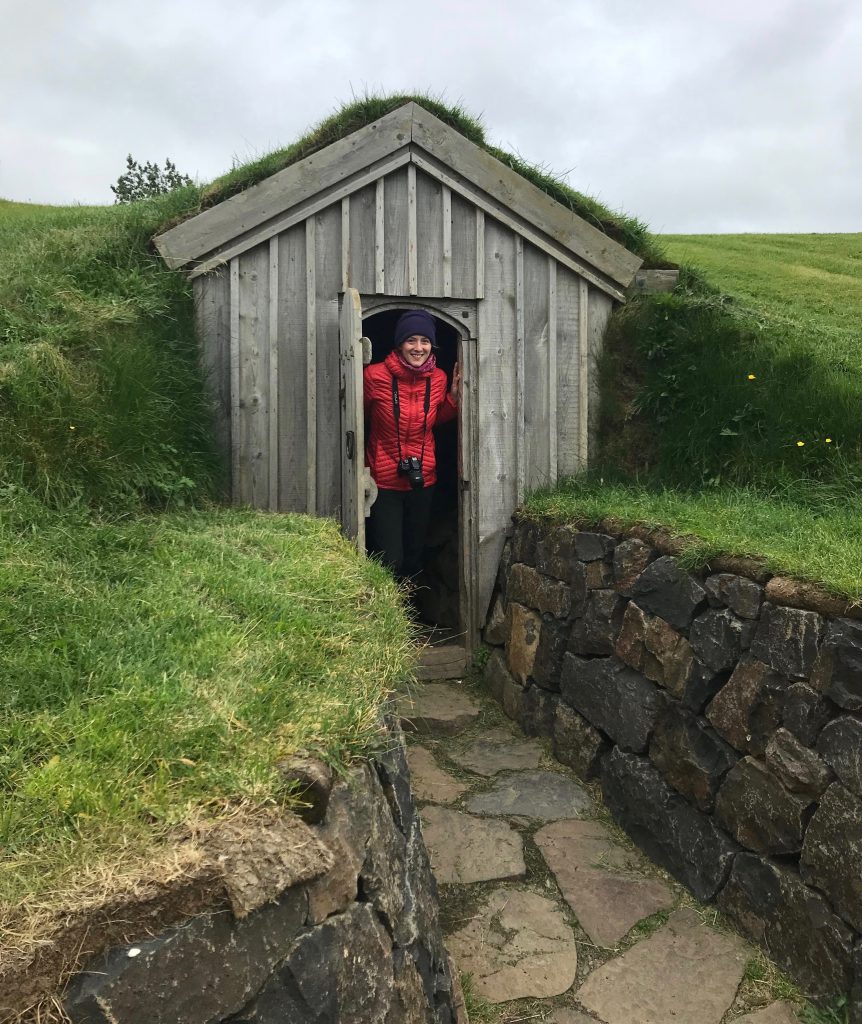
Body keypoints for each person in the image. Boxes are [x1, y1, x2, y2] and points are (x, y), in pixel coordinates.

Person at [364, 309, 461, 580]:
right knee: (389, 558)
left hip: (423, 479)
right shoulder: (374, 376)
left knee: (415, 556)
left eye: (425, 341)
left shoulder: (439, 378)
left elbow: (431, 420)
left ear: (432, 346)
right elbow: (357, 420)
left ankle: (410, 613)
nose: (418, 348)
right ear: (399, 344)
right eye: (411, 340)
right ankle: (385, 612)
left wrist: (452, 400)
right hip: (383, 481)